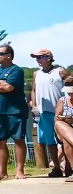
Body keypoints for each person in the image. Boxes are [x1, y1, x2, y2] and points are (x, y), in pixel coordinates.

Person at [0, 44, 28, 180]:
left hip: (16, 110)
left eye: (0, 53)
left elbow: (8, 87)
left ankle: (20, 170)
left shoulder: (17, 70)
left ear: (8, 55)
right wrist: (0, 83)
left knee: (18, 140)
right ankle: (2, 172)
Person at [29, 49, 69, 177]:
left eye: (40, 57)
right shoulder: (36, 74)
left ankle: (68, 166)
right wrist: (33, 105)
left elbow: (70, 85)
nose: (37, 60)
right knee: (50, 141)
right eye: (36, 57)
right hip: (43, 112)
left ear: (48, 57)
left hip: (60, 112)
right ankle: (57, 167)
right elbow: (34, 90)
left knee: (64, 140)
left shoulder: (60, 71)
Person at [53, 77, 73, 182]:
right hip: (64, 127)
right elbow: (57, 117)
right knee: (59, 123)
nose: (70, 94)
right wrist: (65, 118)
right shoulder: (62, 100)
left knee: (67, 141)